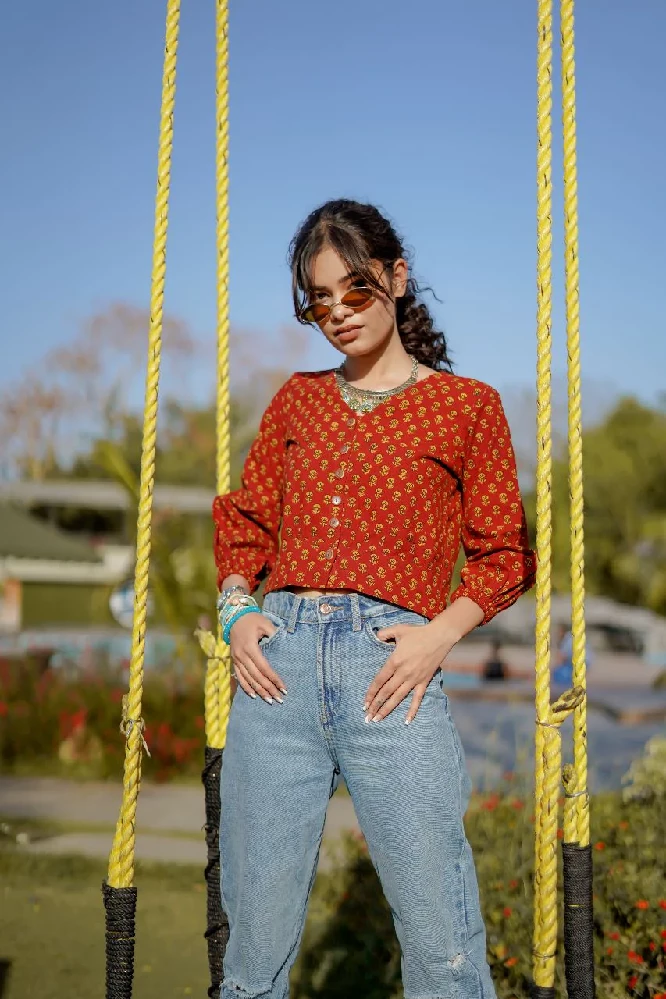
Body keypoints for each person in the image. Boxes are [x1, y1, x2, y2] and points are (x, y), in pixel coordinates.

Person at [212, 199, 536, 999]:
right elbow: (247, 524)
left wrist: (439, 635)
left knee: (441, 940)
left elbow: (503, 555)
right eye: (318, 301)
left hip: (393, 672)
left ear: (396, 277)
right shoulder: (297, 398)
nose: (337, 314)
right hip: (274, 672)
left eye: (354, 292)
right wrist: (235, 612)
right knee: (252, 946)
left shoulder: (468, 406)